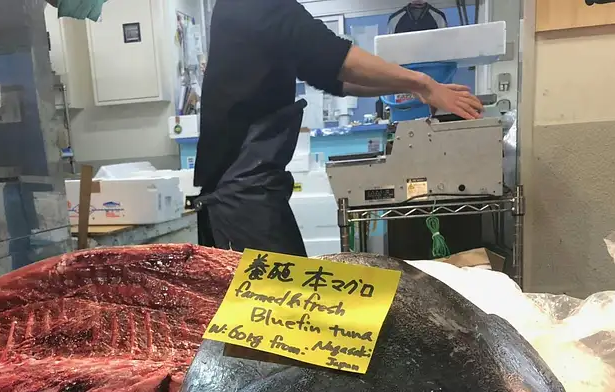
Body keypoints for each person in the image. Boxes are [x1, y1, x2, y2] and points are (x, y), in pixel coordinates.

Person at [194, 0, 483, 257]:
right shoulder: (255, 5)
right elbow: (336, 58)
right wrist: (423, 82)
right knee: (282, 305)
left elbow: (334, 78)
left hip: (251, 187)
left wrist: (416, 90)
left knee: (286, 298)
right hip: (239, 191)